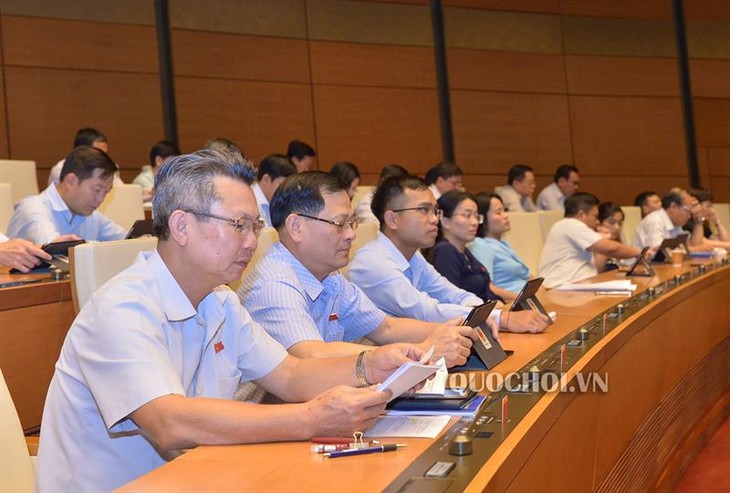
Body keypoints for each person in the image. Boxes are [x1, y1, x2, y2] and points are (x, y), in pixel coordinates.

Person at [36, 151, 424, 492]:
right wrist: (310, 418)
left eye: (254, 226)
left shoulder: (219, 299)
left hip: (203, 475)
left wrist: (371, 364)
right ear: (182, 226)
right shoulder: (121, 308)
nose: (252, 241)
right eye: (238, 225)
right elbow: (169, 423)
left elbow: (289, 375)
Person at [238, 171, 477, 369]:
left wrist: (452, 331)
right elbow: (310, 356)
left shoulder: (329, 277)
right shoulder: (274, 282)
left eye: (351, 223)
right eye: (339, 224)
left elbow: (386, 327)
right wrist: (421, 350)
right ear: (296, 227)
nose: (352, 234)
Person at [348, 175, 549, 333]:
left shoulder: (413, 256)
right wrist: (503, 318)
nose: (434, 219)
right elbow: (425, 311)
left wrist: (492, 312)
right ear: (392, 219)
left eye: (435, 211)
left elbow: (451, 293)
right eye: (423, 210)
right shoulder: (372, 263)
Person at [7, 147, 127, 244]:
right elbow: (55, 253)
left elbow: (128, 240)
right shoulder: (33, 209)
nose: (101, 199)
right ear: (71, 181)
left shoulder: (91, 215)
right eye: (97, 190)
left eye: (106, 192)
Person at [539, 193, 645, 288]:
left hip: (577, 285)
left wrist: (604, 239)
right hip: (561, 288)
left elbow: (597, 269)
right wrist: (638, 252)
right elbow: (612, 249)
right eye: (594, 216)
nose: (597, 221)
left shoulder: (574, 228)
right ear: (581, 215)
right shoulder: (570, 225)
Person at [430, 191, 515, 301]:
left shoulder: (464, 251)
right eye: (467, 215)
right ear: (445, 221)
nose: (475, 222)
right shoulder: (445, 252)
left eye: (476, 216)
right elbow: (450, 301)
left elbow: (487, 290)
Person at [468, 193, 531, 293]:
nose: (505, 215)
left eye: (504, 210)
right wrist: (519, 299)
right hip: (511, 301)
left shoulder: (503, 243)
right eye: (498, 212)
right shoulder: (480, 245)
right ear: (482, 218)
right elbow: (488, 287)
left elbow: (527, 276)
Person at [47, 127, 123, 186]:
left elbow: (123, 193)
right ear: (82, 151)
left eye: (105, 154)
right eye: (99, 153)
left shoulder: (108, 168)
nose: (104, 159)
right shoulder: (60, 170)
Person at [632, 191, 697, 249]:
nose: (689, 216)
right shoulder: (655, 220)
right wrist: (695, 249)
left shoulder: (675, 223)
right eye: (688, 211)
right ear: (673, 207)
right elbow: (658, 253)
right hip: (642, 262)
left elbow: (686, 247)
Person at [252, 154, 297, 227]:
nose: (285, 192)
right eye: (282, 185)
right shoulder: (251, 200)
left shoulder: (271, 200)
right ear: (266, 180)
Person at [594, 201, 626, 271]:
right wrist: (603, 242)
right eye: (611, 222)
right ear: (598, 223)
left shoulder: (619, 242)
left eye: (620, 223)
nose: (617, 227)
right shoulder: (592, 245)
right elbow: (597, 272)